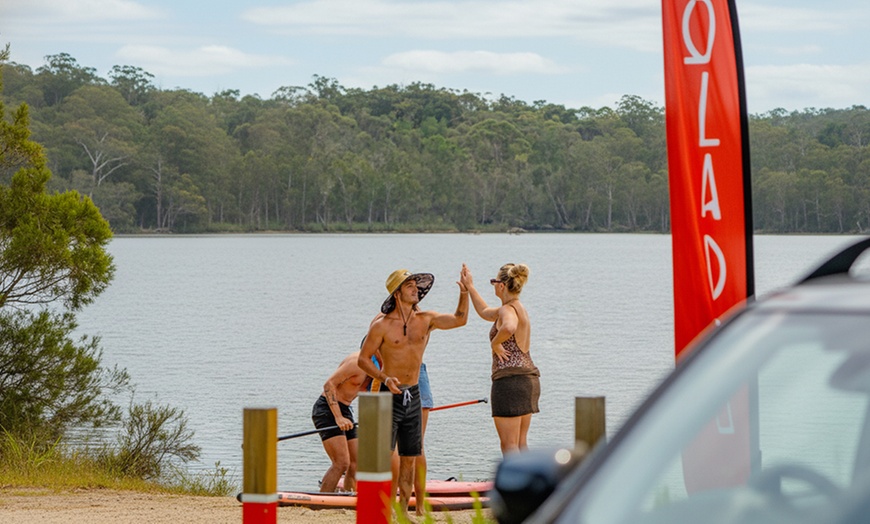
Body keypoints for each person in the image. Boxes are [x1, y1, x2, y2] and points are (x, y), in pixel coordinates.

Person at [358, 268, 468, 519]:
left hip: (413, 393)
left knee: (410, 456)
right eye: (409, 285)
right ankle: (380, 509)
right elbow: (363, 359)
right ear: (397, 293)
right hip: (389, 393)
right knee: (384, 456)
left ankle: (403, 511)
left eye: (417, 286)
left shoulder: (426, 319)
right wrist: (384, 378)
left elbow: (459, 320)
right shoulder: (381, 326)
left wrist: (464, 293)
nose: (415, 289)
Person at [461, 263, 540, 455]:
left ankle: (513, 476)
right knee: (521, 443)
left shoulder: (507, 310)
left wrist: (495, 343)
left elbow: (509, 327)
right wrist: (470, 287)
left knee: (509, 445)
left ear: (502, 285)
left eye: (494, 281)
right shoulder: (517, 308)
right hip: (528, 380)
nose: (493, 285)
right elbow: (484, 311)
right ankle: (527, 475)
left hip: (509, 382)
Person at [312, 350, 374, 493]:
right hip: (327, 409)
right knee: (341, 463)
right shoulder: (356, 362)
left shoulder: (377, 367)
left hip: (346, 409)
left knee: (356, 462)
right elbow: (329, 385)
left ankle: (348, 496)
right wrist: (338, 417)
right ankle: (323, 500)